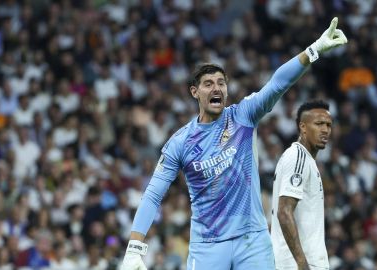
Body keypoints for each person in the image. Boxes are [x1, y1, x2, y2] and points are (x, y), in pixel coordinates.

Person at [120, 17, 347, 270]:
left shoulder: (243, 116)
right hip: (207, 246)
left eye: (221, 83)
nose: (216, 88)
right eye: (208, 84)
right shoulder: (180, 142)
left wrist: (313, 49)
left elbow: (278, 84)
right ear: (195, 92)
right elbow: (153, 194)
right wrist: (135, 248)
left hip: (252, 241)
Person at [270, 100, 333, 270]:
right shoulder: (298, 157)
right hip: (297, 264)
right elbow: (284, 211)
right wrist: (301, 263)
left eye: (328, 125)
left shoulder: (305, 160)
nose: (325, 130)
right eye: (319, 124)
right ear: (303, 127)